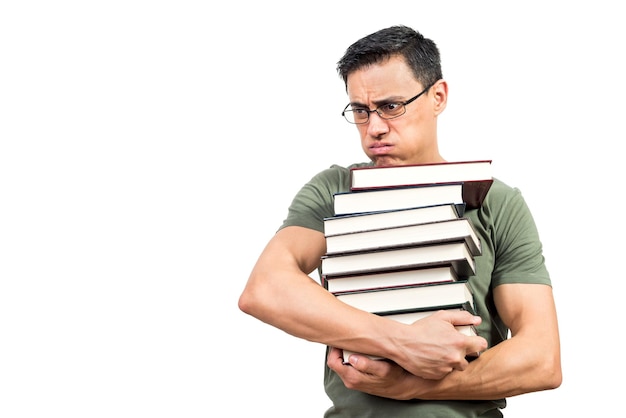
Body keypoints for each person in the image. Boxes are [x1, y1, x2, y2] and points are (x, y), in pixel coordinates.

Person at [238, 25, 561, 417]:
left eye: (391, 107)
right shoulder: (335, 188)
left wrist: (411, 386)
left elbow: (542, 359)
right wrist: (401, 342)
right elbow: (265, 289)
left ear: (438, 96)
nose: (373, 128)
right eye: (360, 110)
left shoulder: (497, 202)